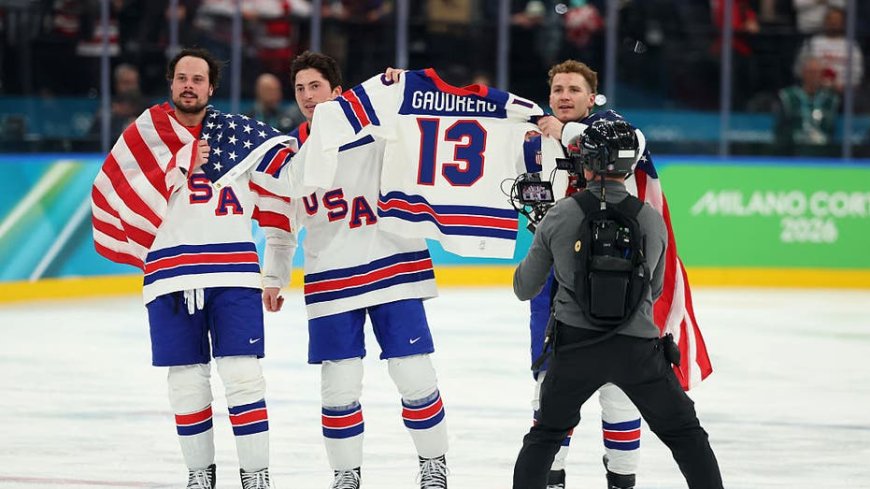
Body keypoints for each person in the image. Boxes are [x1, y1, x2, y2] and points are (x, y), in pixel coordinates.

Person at [91, 47, 295, 489]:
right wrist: (176, 164)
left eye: (197, 79)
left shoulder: (240, 137)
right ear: (171, 83)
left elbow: (282, 200)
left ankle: (256, 477)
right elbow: (113, 190)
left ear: (211, 87)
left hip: (234, 273)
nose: (189, 85)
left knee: (243, 378)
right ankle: (200, 477)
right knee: (186, 383)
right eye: (182, 77)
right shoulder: (143, 134)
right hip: (171, 275)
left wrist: (276, 271)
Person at [261, 51, 449, 489]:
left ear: (338, 92)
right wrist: (274, 275)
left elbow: (431, 125)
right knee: (339, 388)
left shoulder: (383, 134)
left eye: (316, 87)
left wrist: (410, 88)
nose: (308, 96)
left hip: (393, 270)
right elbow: (280, 224)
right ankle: (346, 476)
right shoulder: (291, 157)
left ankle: (433, 467)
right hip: (331, 281)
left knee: (414, 374)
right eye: (300, 89)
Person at [511, 119, 724, 489]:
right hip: (638, 352)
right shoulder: (650, 219)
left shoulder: (561, 214)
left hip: (575, 349)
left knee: (545, 437)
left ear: (586, 163)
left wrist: (543, 233)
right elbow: (654, 290)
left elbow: (525, 287)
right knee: (687, 435)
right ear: (629, 166)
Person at [531, 60, 643, 489]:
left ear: (592, 96)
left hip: (616, 280)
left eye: (573, 89)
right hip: (554, 282)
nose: (563, 96)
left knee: (618, 390)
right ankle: (552, 479)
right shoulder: (534, 141)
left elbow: (638, 143)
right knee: (549, 388)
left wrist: (569, 134)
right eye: (557, 89)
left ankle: (622, 481)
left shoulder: (616, 131)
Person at [774, 55, 840, 152]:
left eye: (818, 73)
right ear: (803, 73)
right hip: (793, 151)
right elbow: (781, 129)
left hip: (824, 152)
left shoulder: (831, 100)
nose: (814, 77)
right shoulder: (788, 97)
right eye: (811, 72)